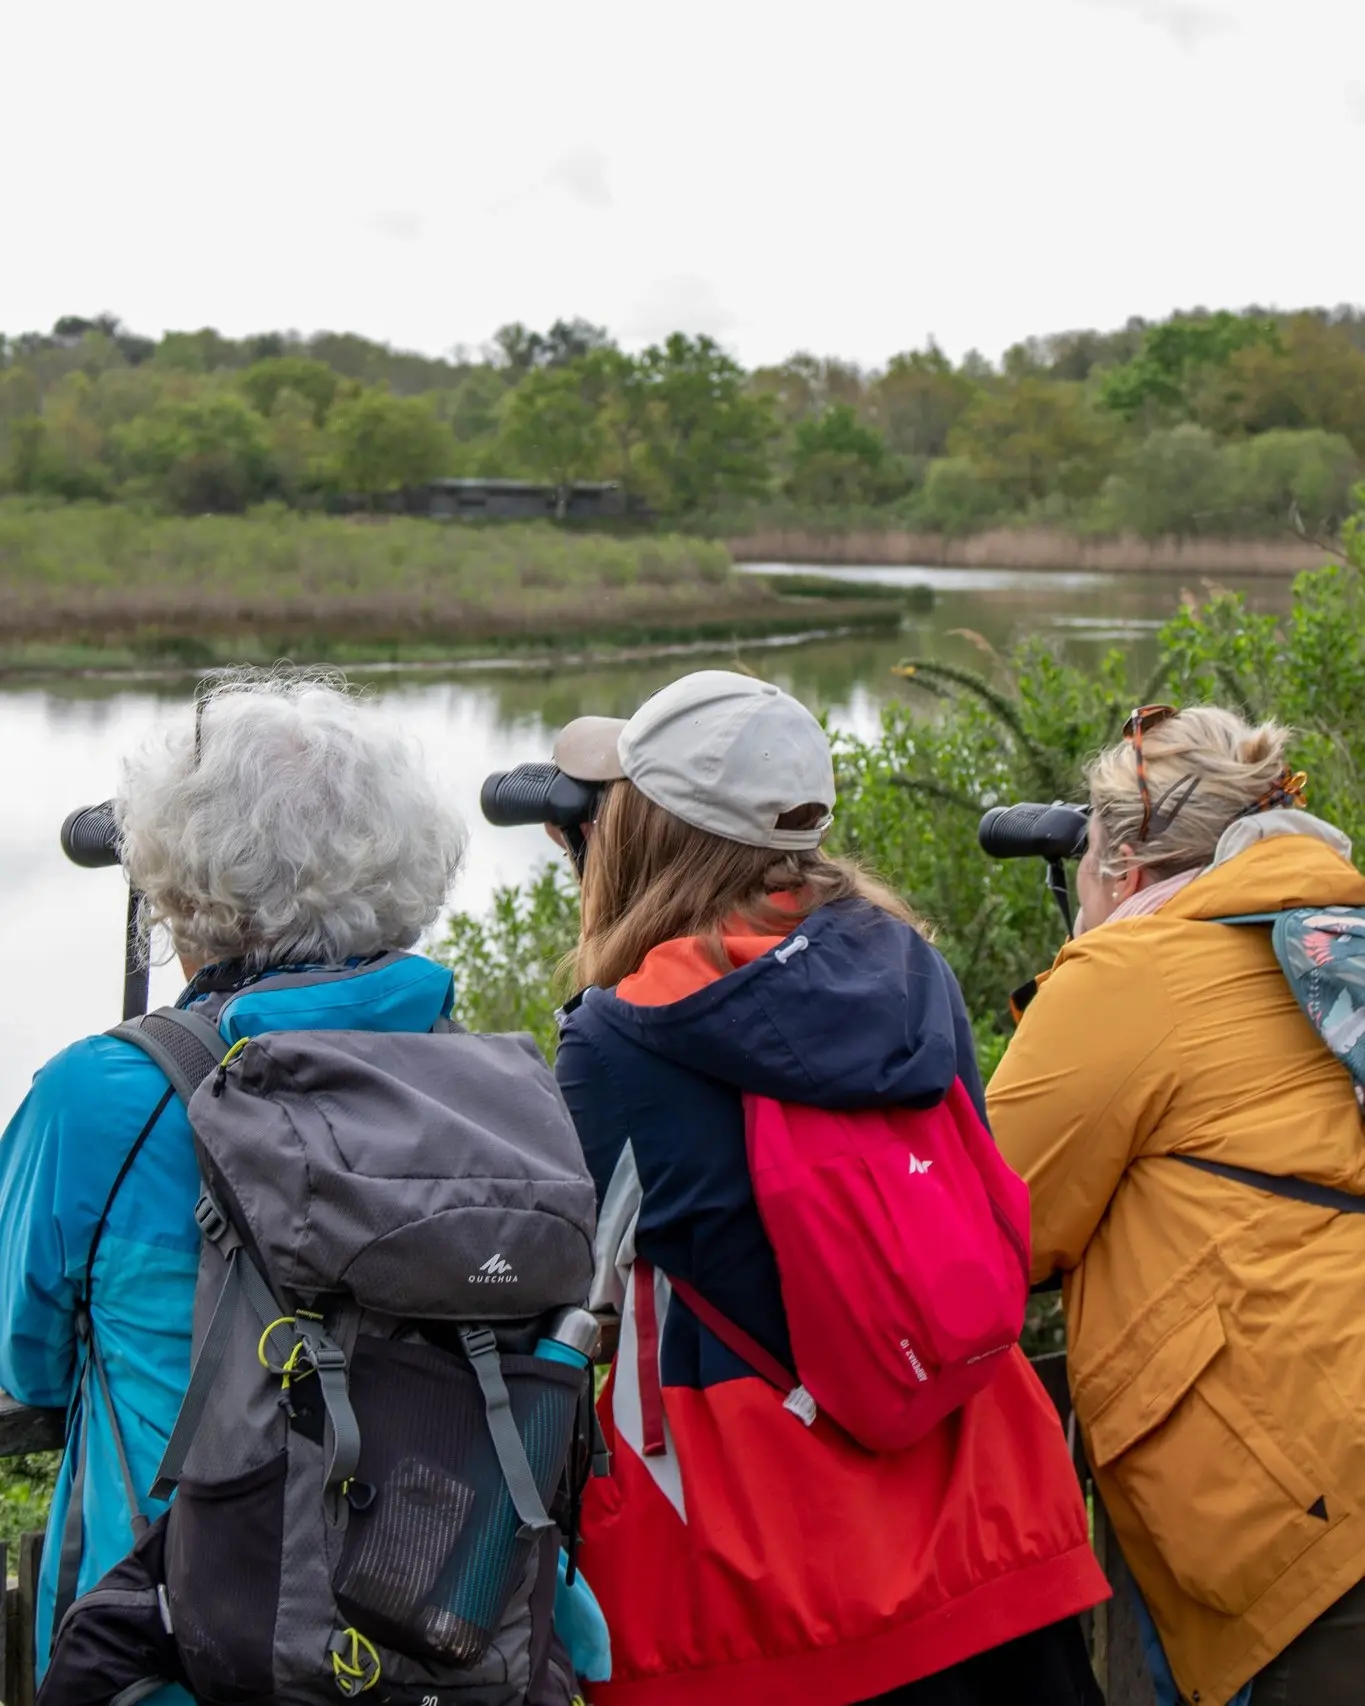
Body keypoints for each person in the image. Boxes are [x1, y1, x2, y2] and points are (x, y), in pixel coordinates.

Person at [547, 670, 1110, 1706]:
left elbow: (560, 1279)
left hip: (771, 1574)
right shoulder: (905, 972)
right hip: (988, 1522)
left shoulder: (616, 1040)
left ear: (639, 827)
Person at [0, 674, 460, 1695]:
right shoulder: (472, 1075)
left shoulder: (101, 1096)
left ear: (179, 886)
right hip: (429, 1638)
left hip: (172, 1652)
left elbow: (26, 1363)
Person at [987, 704, 1365, 1706]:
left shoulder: (1131, 972)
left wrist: (1081, 953)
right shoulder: (1333, 936)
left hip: (1294, 1505)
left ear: (1116, 853)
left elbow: (995, 1225)